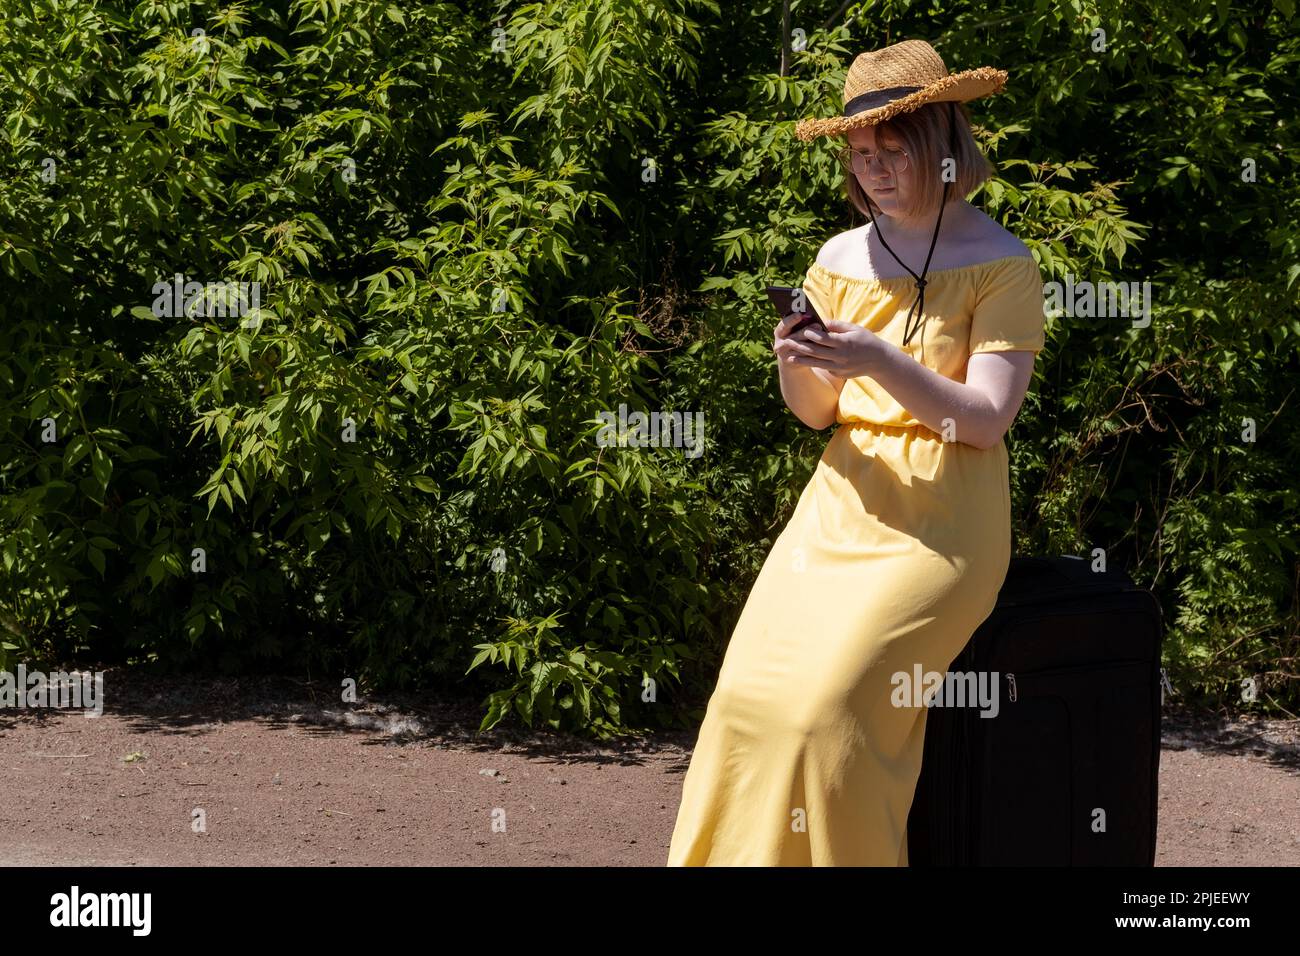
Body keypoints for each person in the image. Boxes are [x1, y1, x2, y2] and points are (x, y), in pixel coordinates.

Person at [667, 39, 1046, 866]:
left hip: (945, 524)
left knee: (825, 716)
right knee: (743, 703)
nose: (872, 168)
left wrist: (879, 359)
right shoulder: (839, 258)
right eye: (860, 153)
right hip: (840, 504)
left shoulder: (1004, 265)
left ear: (941, 143)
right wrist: (793, 359)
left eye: (890, 150)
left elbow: (985, 419)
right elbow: (815, 415)